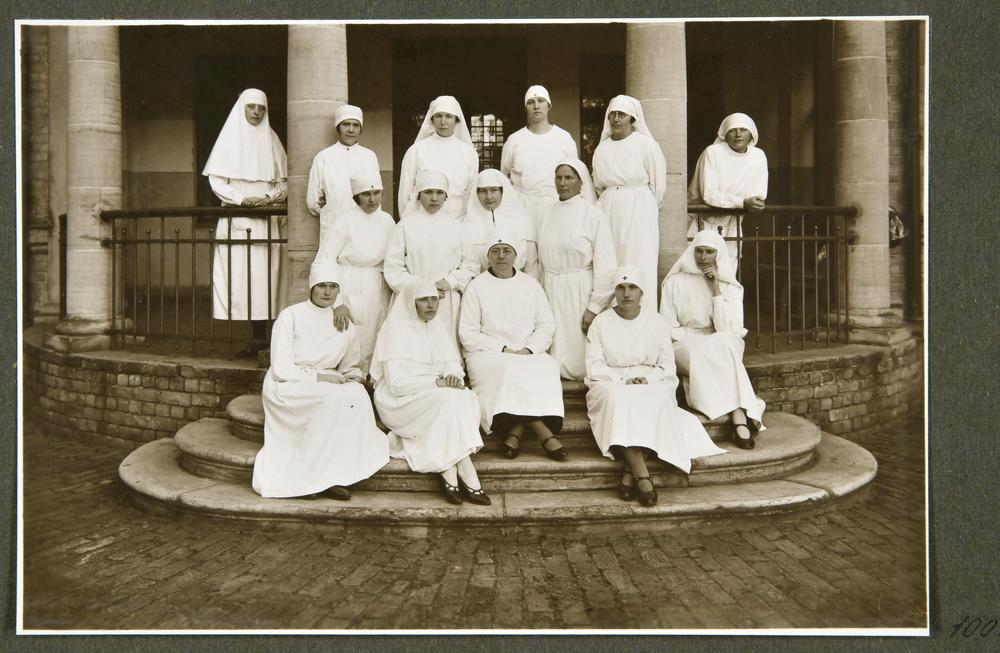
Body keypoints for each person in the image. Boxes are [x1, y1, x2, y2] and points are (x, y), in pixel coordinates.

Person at [586, 265, 726, 506]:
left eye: (632, 288)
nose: (626, 294)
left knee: (656, 398)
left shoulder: (657, 322)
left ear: (642, 292)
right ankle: (642, 474)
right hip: (611, 381)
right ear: (614, 292)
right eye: (621, 288)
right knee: (619, 399)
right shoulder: (601, 322)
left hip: (650, 377)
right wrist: (622, 380)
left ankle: (631, 471)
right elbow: (594, 365)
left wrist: (648, 379)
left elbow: (667, 364)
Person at [252, 261, 389, 500]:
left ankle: (335, 475)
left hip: (327, 379)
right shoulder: (291, 316)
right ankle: (307, 479)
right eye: (322, 286)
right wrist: (318, 377)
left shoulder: (342, 320)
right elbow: (281, 367)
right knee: (329, 400)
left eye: (333, 287)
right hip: (289, 382)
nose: (327, 292)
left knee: (356, 395)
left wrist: (353, 378)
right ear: (311, 288)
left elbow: (350, 364)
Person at [371, 279, 490, 505]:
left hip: (434, 393)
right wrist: (436, 382)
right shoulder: (394, 330)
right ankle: (466, 470)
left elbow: (451, 364)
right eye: (423, 300)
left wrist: (453, 376)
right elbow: (397, 385)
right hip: (400, 401)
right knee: (447, 401)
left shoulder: (437, 326)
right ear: (410, 302)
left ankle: (450, 470)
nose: (431, 305)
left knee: (465, 397)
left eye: (434, 299)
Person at [459, 228, 566, 461]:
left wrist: (529, 349)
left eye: (506, 251)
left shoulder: (530, 284)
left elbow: (546, 324)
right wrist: (503, 349)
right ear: (488, 256)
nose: (501, 256)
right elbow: (468, 332)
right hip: (487, 353)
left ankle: (515, 432)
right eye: (495, 251)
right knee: (510, 367)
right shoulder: (477, 286)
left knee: (547, 365)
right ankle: (542, 431)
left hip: (527, 351)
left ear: (515, 255)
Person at [659, 229, 766, 449]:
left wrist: (715, 288)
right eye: (699, 251)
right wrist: (695, 338)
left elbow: (728, 329)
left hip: (719, 340)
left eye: (709, 252)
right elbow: (667, 326)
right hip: (685, 343)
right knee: (711, 349)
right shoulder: (674, 282)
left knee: (724, 341)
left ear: (719, 254)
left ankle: (736, 413)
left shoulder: (730, 287)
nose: (703, 257)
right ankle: (740, 414)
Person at [202, 88, 287, 356]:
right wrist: (241, 199)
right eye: (251, 107)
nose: (256, 112)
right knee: (244, 279)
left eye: (261, 108)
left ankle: (267, 340)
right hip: (238, 217)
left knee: (268, 278)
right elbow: (217, 181)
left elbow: (284, 182)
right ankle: (254, 338)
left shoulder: (271, 139)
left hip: (266, 217)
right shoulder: (229, 138)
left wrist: (267, 198)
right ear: (242, 108)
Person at [536, 158, 618, 380]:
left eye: (569, 178)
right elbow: (538, 260)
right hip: (550, 287)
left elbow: (606, 264)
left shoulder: (593, 215)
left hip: (580, 289)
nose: (562, 183)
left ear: (581, 182)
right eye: (558, 178)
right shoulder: (545, 213)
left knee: (579, 354)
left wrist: (595, 306)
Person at [314, 172, 396, 376]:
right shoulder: (345, 220)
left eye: (376, 193)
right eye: (366, 194)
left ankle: (371, 378)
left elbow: (395, 258)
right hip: (349, 282)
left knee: (376, 330)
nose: (372, 199)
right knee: (351, 333)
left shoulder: (387, 221)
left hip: (378, 285)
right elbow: (326, 258)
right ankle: (349, 376)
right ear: (357, 196)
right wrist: (337, 302)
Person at [592, 94, 666, 310]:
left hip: (639, 208)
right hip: (608, 206)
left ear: (632, 118)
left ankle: (643, 315)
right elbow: (598, 184)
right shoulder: (602, 149)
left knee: (638, 258)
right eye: (612, 114)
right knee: (610, 260)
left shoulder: (646, 145)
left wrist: (646, 208)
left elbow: (658, 183)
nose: (616, 119)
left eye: (621, 115)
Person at [383, 169, 476, 341]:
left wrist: (450, 281)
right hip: (413, 298)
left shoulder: (457, 228)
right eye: (428, 192)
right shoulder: (405, 226)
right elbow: (393, 267)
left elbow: (470, 265)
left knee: (444, 346)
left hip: (446, 299)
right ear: (418, 195)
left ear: (446, 196)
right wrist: (419, 288)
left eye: (439, 193)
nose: (434, 198)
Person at [687, 112, 768, 270]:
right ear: (725, 134)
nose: (738, 134)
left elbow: (758, 194)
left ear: (751, 134)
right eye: (732, 130)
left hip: (733, 223)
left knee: (727, 273)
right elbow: (709, 194)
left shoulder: (758, 156)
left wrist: (753, 202)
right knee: (697, 272)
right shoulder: (712, 152)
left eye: (743, 129)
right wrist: (742, 202)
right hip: (703, 222)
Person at [306, 104, 381, 250]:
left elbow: (376, 192)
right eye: (346, 124)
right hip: (333, 225)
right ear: (338, 127)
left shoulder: (369, 156)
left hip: (364, 224)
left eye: (356, 125)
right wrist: (332, 208)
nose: (351, 130)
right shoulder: (323, 157)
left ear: (361, 128)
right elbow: (313, 202)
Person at [500, 85, 578, 224]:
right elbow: (504, 176)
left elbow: (574, 174)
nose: (536, 106)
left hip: (556, 206)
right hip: (522, 208)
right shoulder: (514, 140)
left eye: (541, 101)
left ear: (549, 105)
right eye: (531, 102)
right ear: (526, 107)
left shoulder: (564, 138)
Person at [397, 95, 479, 222]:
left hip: (459, 221)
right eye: (438, 116)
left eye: (449, 116)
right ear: (432, 119)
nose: (443, 122)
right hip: (423, 221)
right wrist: (408, 222)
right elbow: (405, 192)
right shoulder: (416, 150)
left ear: (457, 120)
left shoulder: (469, 153)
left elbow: (472, 192)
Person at [462, 168, 539, 280]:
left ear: (503, 191)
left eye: (494, 190)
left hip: (519, 284)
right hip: (482, 285)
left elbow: (532, 267)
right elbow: (468, 267)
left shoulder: (523, 221)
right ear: (476, 193)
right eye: (483, 191)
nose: (489, 196)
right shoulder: (468, 225)